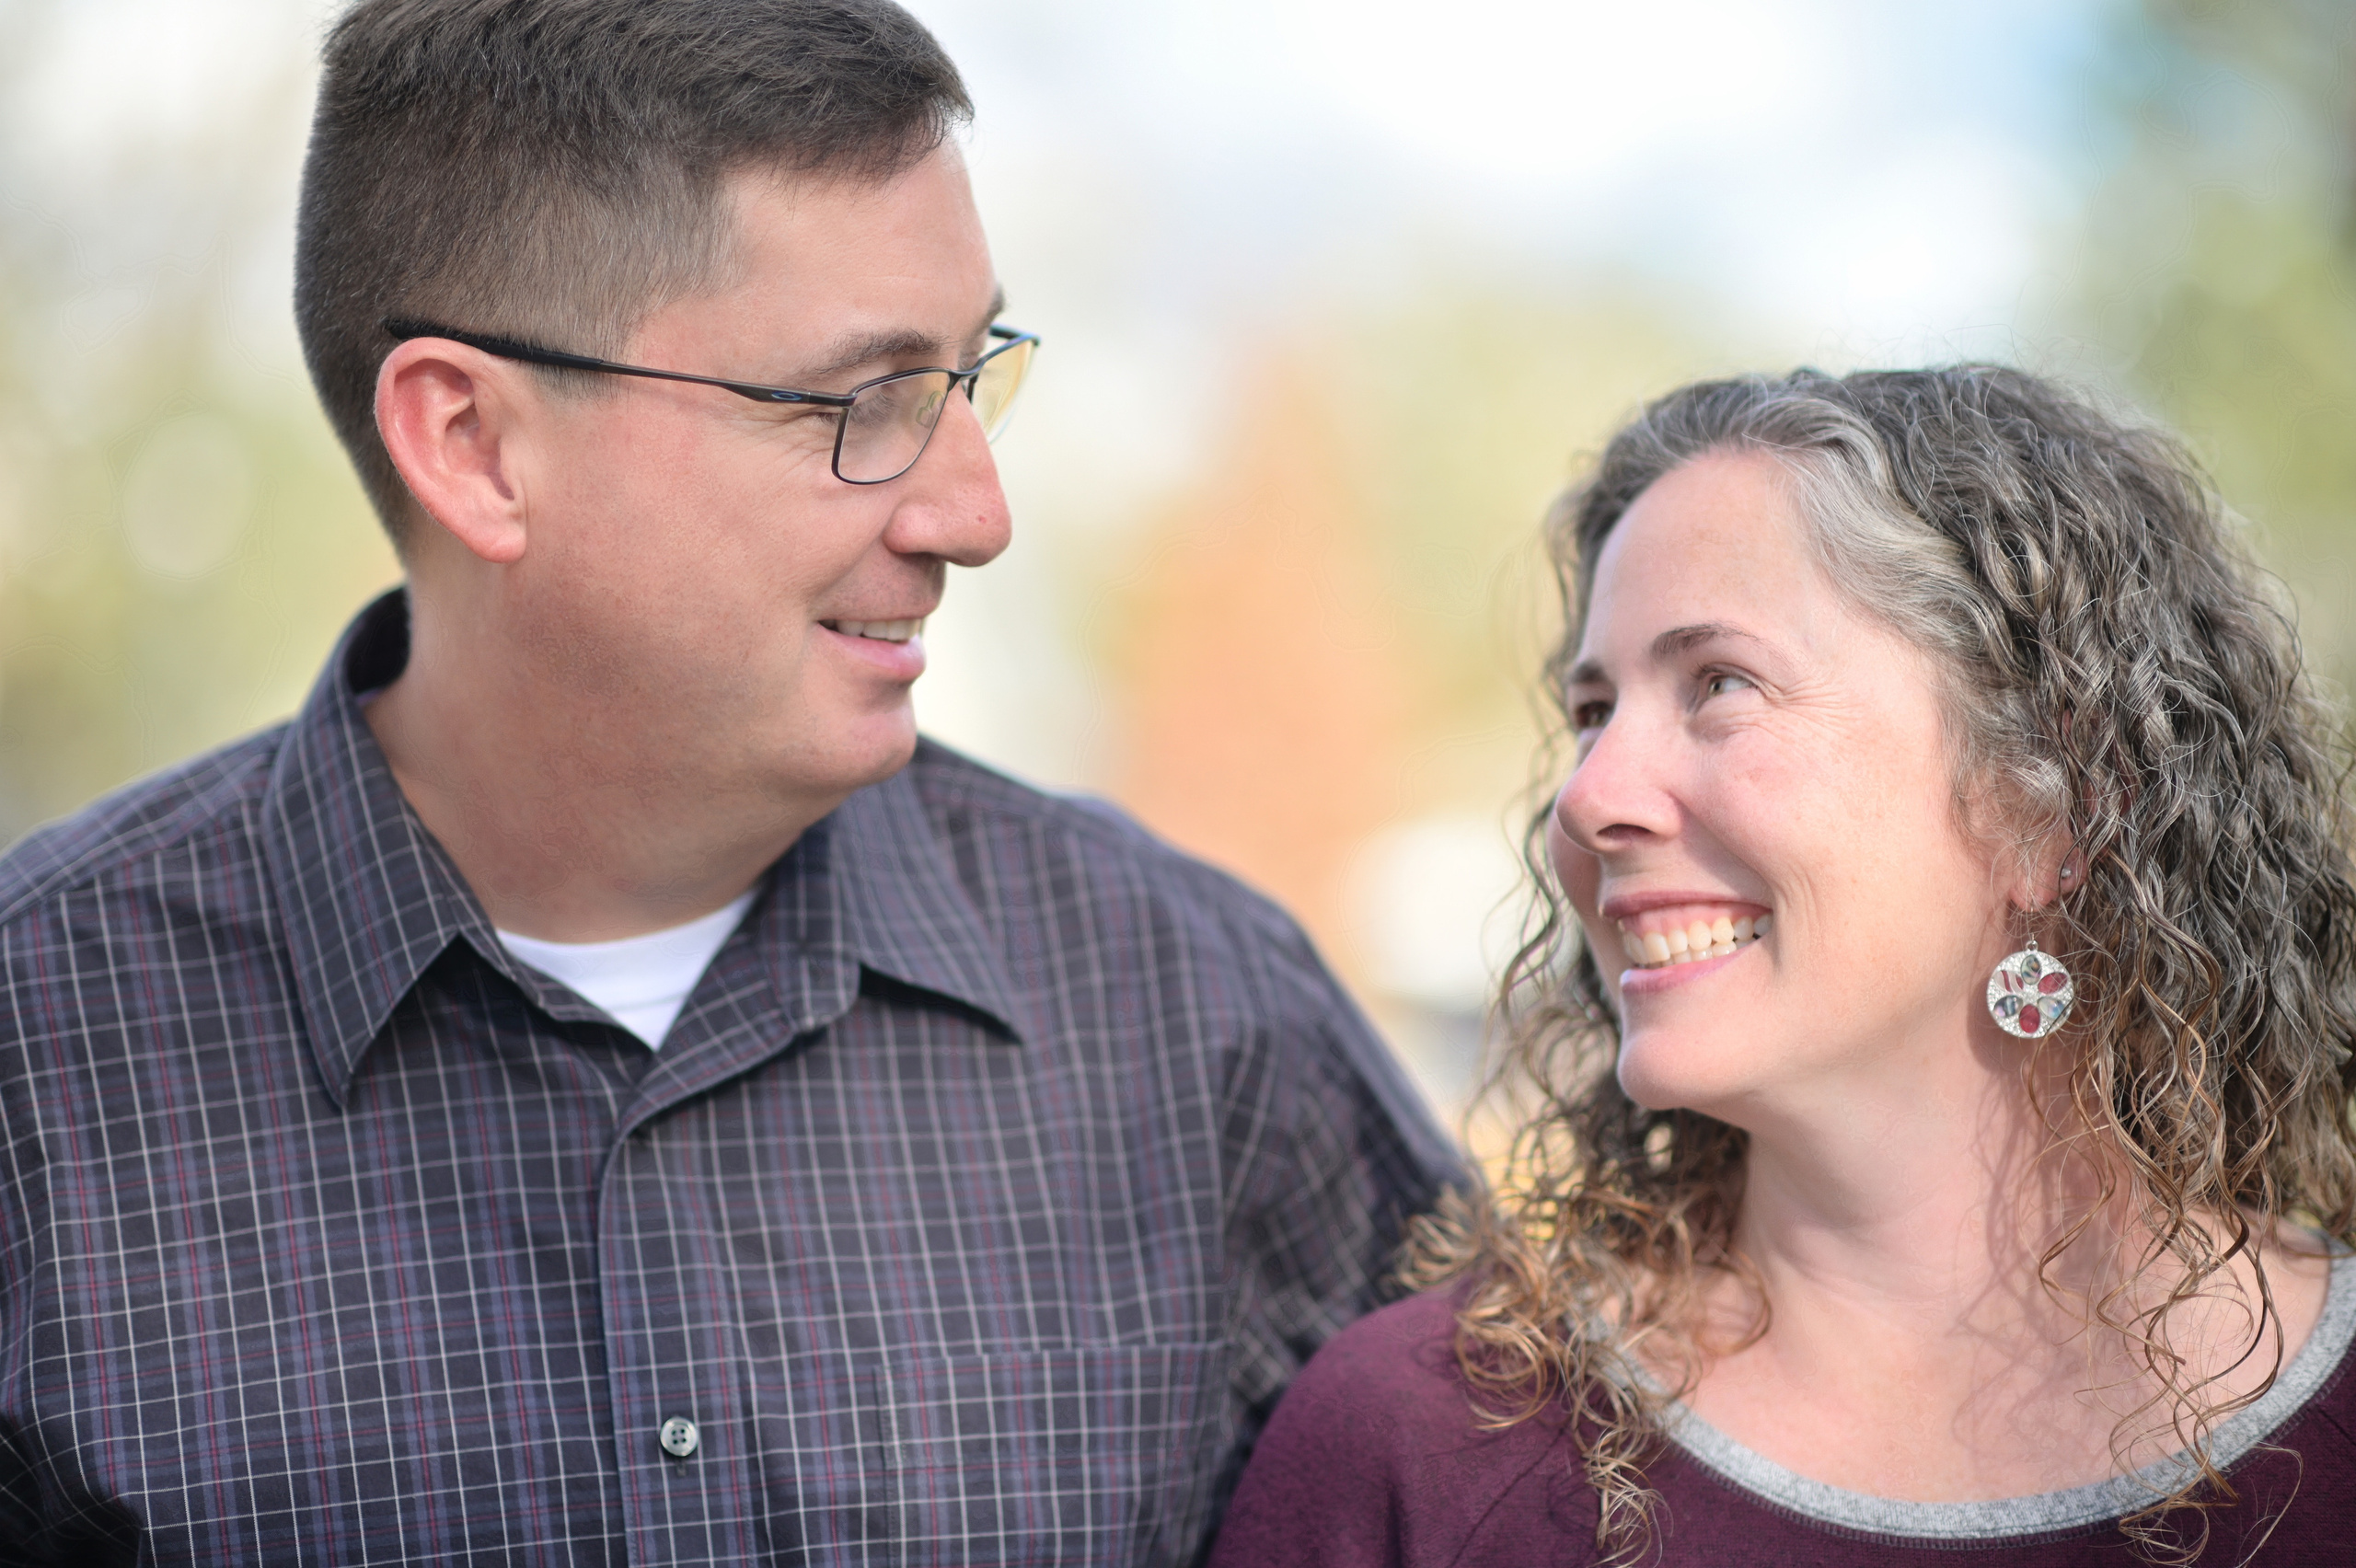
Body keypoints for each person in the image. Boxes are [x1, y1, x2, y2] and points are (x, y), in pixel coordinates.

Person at [0, 2, 1459, 1561]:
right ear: (475, 442)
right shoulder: (39, 1051)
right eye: (865, 400)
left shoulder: (1208, 1029)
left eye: (973, 377)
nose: (977, 513)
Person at [1207, 366, 2356, 1565]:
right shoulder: (1429, 1441)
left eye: (1721, 685)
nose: (1587, 797)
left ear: (2048, 808)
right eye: (1594, 710)